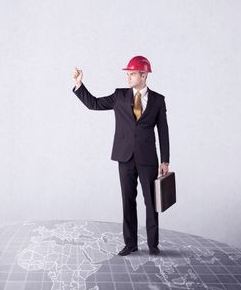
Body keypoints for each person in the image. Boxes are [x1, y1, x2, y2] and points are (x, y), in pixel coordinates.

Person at [71, 55, 170, 256]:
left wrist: (165, 160)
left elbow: (163, 131)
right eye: (128, 73)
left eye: (132, 73)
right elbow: (94, 104)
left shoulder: (158, 100)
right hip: (124, 157)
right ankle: (130, 243)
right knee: (128, 201)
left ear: (144, 75)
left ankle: (153, 245)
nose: (128, 77)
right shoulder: (120, 95)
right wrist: (79, 84)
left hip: (148, 158)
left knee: (151, 203)